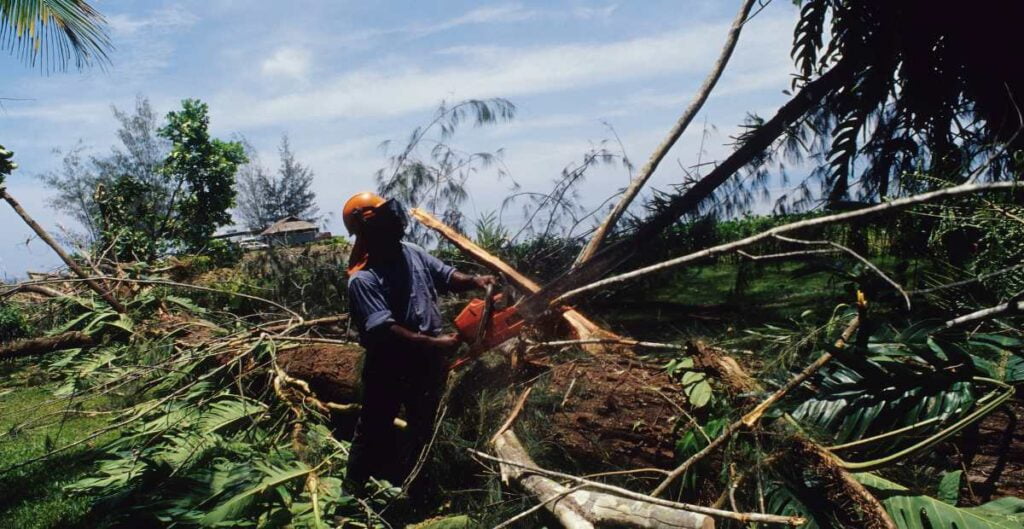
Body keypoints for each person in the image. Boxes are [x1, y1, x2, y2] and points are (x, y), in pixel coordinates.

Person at [342, 192, 495, 491]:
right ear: (369, 227)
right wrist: (434, 343)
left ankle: (419, 488)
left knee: (425, 425)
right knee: (373, 428)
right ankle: (350, 495)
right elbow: (386, 331)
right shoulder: (363, 280)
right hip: (388, 365)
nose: (397, 222)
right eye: (387, 218)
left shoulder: (411, 251)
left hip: (426, 362)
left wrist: (476, 280)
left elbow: (448, 276)